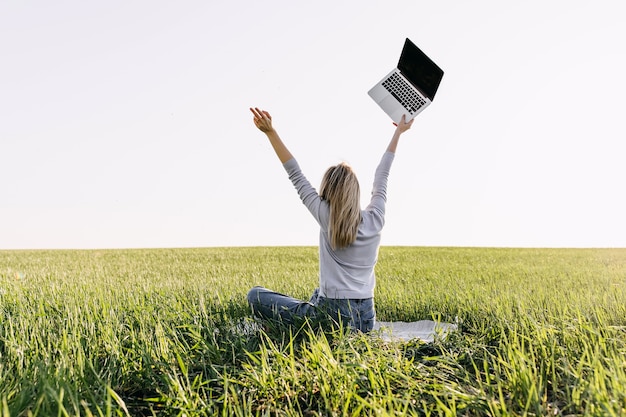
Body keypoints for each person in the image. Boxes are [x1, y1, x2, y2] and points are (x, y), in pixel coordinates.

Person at [246, 107, 414, 333]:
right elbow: (382, 174)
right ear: (355, 191)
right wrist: (399, 133)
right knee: (318, 292)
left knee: (255, 295)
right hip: (366, 320)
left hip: (331, 319)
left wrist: (270, 132)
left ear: (328, 190)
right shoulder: (376, 217)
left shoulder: (325, 215)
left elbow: (295, 173)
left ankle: (298, 323)